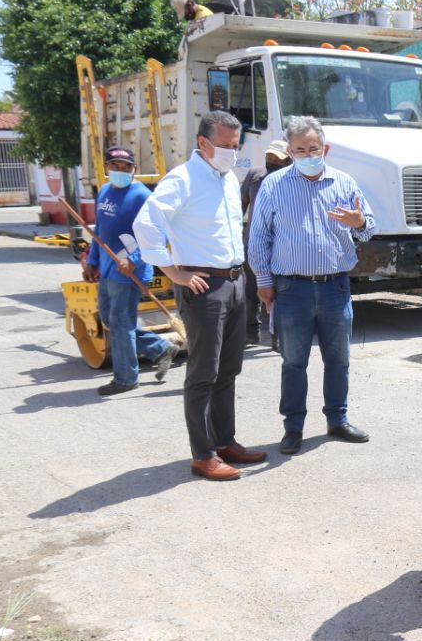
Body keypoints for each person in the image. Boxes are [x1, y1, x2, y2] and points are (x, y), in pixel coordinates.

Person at [133, 110, 267, 481]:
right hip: (203, 286)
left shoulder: (225, 178)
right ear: (203, 143)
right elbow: (146, 224)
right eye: (224, 145)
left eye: (235, 146)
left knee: (228, 369)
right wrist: (172, 270)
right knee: (203, 373)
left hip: (235, 282)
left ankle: (225, 442)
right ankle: (203, 454)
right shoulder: (183, 179)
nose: (230, 152)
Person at [249, 116, 375, 455]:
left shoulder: (345, 183)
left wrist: (359, 221)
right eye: (300, 150)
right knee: (293, 362)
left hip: (336, 288)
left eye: (313, 149)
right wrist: (263, 281)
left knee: (339, 359)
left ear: (326, 149)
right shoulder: (274, 186)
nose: (307, 155)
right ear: (290, 151)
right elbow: (259, 235)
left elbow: (369, 228)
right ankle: (293, 428)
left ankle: (337, 419)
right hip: (292, 289)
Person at [82, 146, 178, 396]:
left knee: (121, 323)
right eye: (115, 166)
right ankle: (161, 348)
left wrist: (134, 260)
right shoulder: (103, 192)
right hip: (106, 268)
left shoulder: (142, 196)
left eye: (127, 167)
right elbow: (99, 233)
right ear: (107, 168)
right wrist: (92, 261)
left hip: (129, 272)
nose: (121, 171)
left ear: (134, 170)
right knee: (110, 320)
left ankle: (126, 378)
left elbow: (158, 233)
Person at [241, 139, 291, 347]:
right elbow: (240, 205)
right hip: (253, 242)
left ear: (287, 160)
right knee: (250, 289)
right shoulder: (255, 175)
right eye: (269, 156)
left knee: (279, 292)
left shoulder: (292, 179)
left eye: (276, 158)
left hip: (281, 245)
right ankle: (250, 332)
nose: (271, 160)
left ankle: (277, 337)